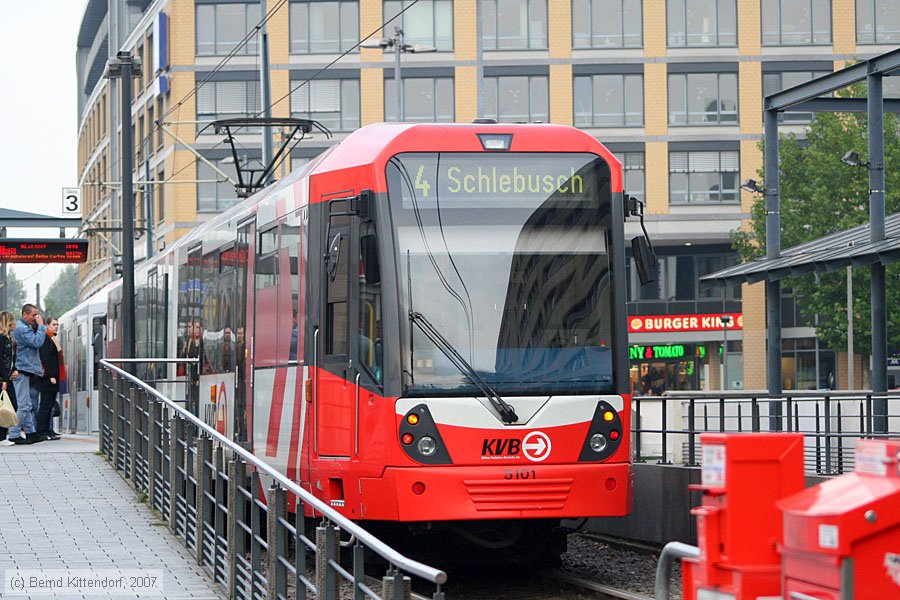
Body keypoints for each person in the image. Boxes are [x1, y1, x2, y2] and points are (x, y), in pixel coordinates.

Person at [9, 304, 45, 443]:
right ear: (25, 314)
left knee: (27, 404)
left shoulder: (23, 327)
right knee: (23, 404)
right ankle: (14, 433)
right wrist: (41, 326)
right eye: (33, 315)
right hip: (22, 369)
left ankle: (31, 432)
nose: (36, 318)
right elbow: (37, 342)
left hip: (24, 369)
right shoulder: (23, 329)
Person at [35, 317, 62, 440]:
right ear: (47, 325)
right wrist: (51, 375)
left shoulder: (52, 338)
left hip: (53, 376)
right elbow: (45, 359)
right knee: (45, 405)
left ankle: (48, 430)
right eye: (53, 324)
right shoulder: (46, 339)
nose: (56, 326)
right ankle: (42, 431)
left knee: (50, 404)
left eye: (57, 324)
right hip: (47, 378)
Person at [0, 311, 20, 446]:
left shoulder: (10, 339)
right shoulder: (1, 339)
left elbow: (11, 359)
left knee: (11, 405)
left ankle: (2, 436)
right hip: (2, 378)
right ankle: (1, 437)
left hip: (7, 376)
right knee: (4, 406)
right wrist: (4, 379)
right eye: (13, 321)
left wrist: (14, 370)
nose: (16, 323)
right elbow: (0, 360)